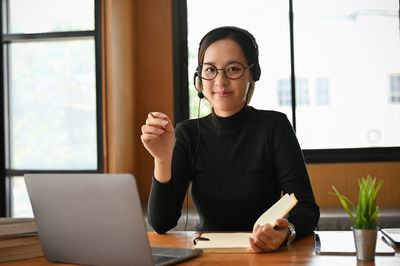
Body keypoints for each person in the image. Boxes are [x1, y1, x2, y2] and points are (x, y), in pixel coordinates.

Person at [141, 26, 319, 253]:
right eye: (210, 69)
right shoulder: (187, 133)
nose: (220, 81)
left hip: (267, 256)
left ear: (252, 74)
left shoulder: (275, 126)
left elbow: (307, 207)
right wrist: (162, 159)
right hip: (208, 255)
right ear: (199, 78)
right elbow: (161, 223)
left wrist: (285, 232)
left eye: (233, 69)